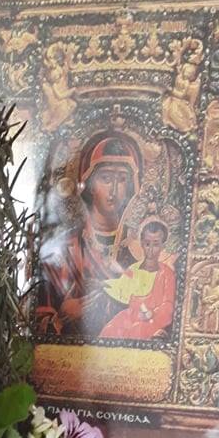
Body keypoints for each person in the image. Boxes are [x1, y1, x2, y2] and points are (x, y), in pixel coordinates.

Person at [37, 134, 141, 337]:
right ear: (90, 183)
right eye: (106, 178)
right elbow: (36, 323)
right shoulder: (63, 248)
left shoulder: (140, 247)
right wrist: (60, 317)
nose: (114, 190)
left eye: (121, 180)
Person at [99, 222, 178, 340]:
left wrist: (152, 313)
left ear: (163, 246)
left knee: (135, 331)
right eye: (147, 244)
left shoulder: (167, 273)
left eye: (156, 244)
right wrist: (102, 284)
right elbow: (120, 287)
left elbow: (168, 306)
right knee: (110, 329)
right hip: (130, 316)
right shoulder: (134, 268)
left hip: (153, 320)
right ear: (141, 243)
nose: (151, 249)